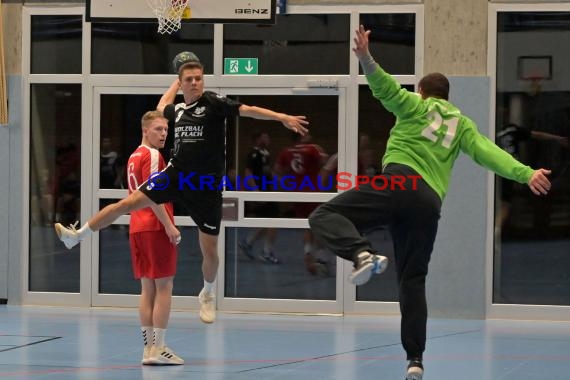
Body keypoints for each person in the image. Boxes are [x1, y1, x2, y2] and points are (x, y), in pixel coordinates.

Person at [308, 25, 552, 380]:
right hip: (428, 204)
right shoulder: (463, 124)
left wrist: (366, 58)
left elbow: (386, 90)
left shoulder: (416, 106)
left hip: (400, 181)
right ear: (448, 98)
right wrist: (526, 173)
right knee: (413, 280)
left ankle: (361, 253)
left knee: (324, 214)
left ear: (422, 92)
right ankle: (415, 360)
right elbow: (490, 154)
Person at [54, 57, 309, 325]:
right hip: (176, 175)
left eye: (198, 78)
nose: (195, 82)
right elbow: (161, 106)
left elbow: (248, 109)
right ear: (182, 83)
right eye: (189, 79)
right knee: (126, 204)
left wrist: (282, 117)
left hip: (205, 185)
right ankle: (77, 235)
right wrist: (176, 82)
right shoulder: (175, 112)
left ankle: (208, 293)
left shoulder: (212, 102)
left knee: (209, 250)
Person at [125, 111, 182, 365]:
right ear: (145, 130)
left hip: (136, 226)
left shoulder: (133, 156)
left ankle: (148, 349)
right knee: (164, 287)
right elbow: (154, 193)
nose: (163, 134)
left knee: (147, 288)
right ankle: (159, 347)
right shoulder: (153, 155)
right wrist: (169, 225)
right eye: (158, 129)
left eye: (166, 130)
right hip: (155, 226)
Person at [274, 132, 328, 274]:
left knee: (306, 225)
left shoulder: (286, 151)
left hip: (296, 193)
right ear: (302, 136)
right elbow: (326, 163)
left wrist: (287, 184)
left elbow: (277, 171)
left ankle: (308, 252)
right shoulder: (313, 149)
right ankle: (320, 257)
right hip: (313, 192)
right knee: (320, 224)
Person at [238, 131, 280, 264]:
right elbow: (248, 173)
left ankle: (247, 242)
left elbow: (268, 173)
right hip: (261, 192)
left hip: (268, 191)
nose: (268, 139)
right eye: (265, 137)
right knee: (273, 221)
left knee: (267, 222)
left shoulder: (266, 154)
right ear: (258, 140)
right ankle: (266, 252)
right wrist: (255, 190)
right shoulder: (253, 154)